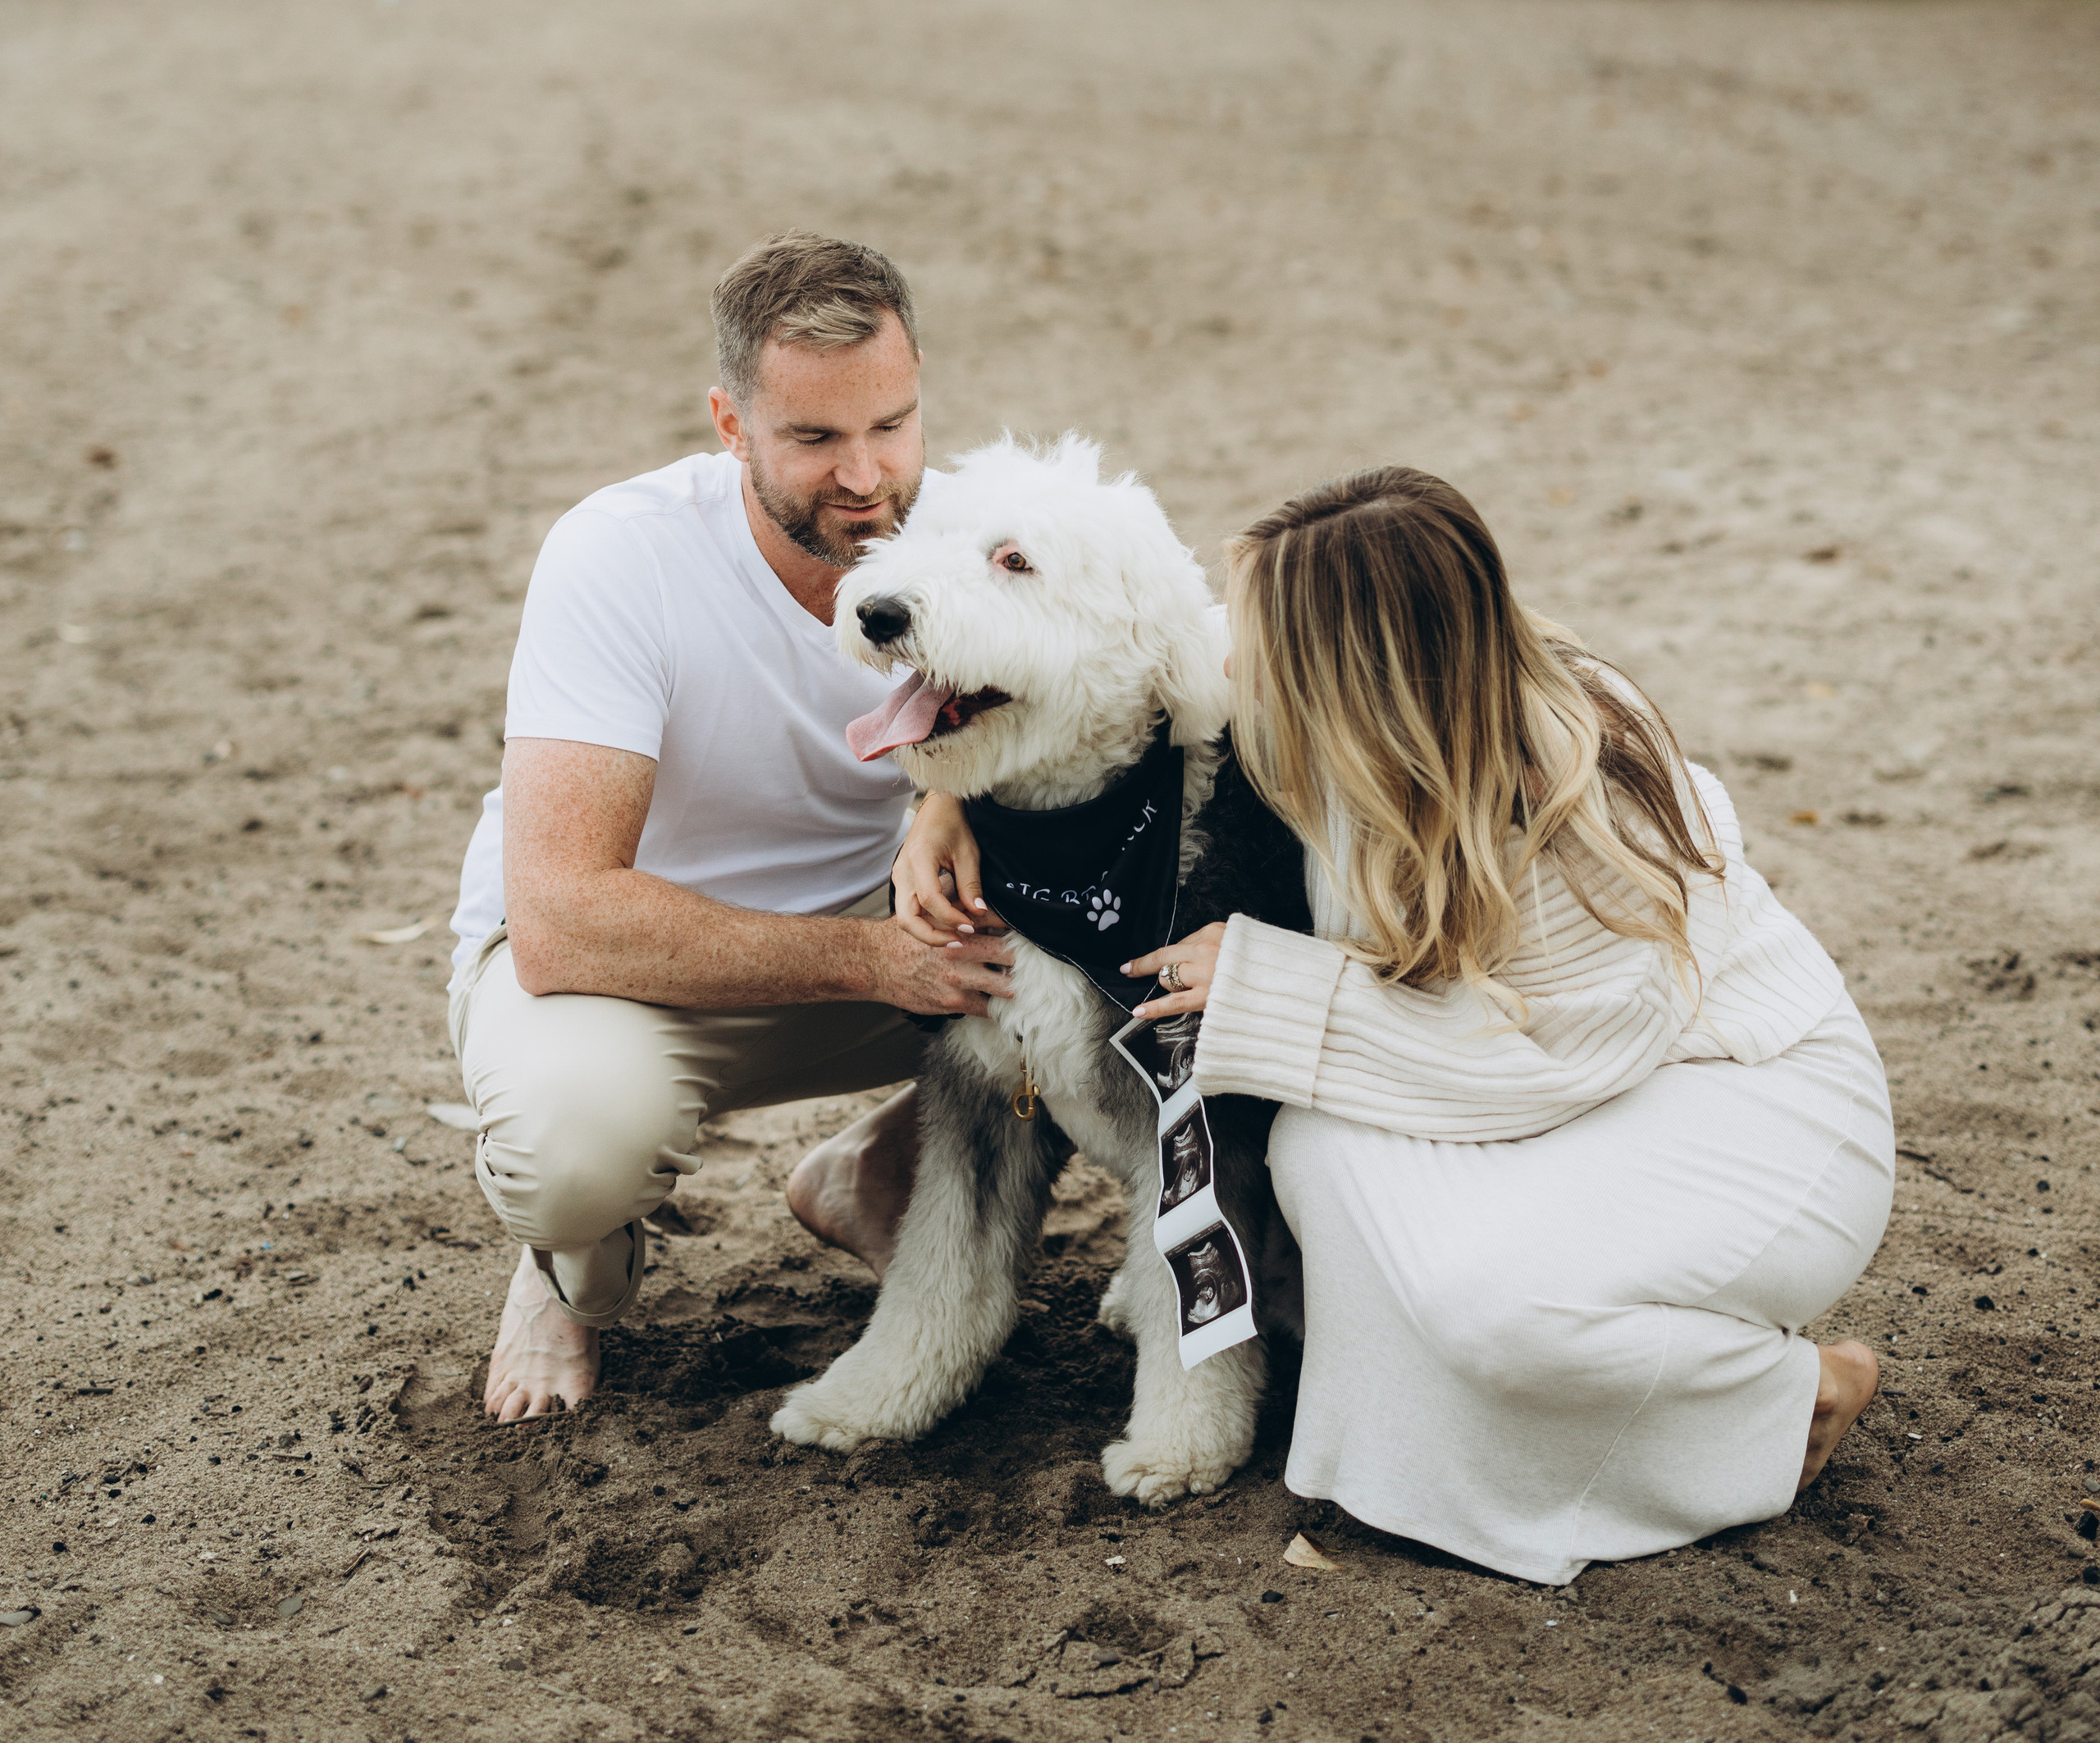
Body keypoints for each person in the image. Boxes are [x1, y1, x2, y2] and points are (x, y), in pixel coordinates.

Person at [898, 465, 1892, 1587]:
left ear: (1351, 670)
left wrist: (1265, 984)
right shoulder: (1308, 679)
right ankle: (1440, 1447)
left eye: (1257, 638)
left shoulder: (1587, 779)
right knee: (1322, 1162)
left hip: (1724, 1099)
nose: (1226, 654)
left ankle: (1782, 1402)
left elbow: (1564, 1057)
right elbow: (1104, 662)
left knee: (1494, 1315)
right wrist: (946, 794)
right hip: (1472, 1068)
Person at [448, 232, 1010, 1424]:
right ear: (730, 424)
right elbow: (560, 921)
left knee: (1120, 934)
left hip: (879, 941)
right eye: (814, 439)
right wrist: (875, 960)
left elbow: (1129, 708)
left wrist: (948, 793)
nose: (867, 477)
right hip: (624, 972)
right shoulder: (623, 553)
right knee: (574, 1151)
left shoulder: (979, 533)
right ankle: (570, 1274)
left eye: (893, 426)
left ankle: (881, 1176)